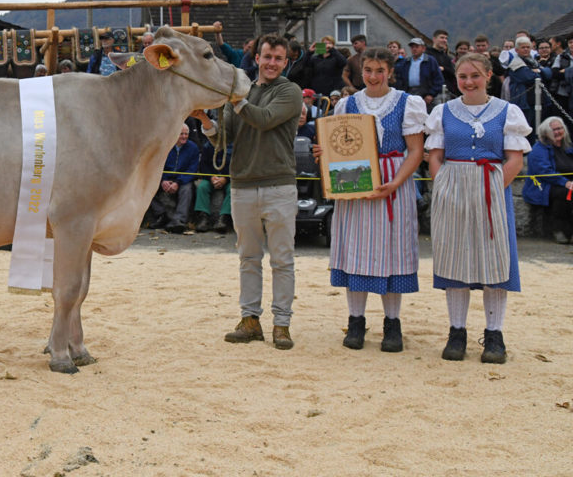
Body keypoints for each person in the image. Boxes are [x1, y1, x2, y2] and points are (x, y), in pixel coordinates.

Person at [315, 48, 427, 352]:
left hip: (394, 179)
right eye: (368, 70)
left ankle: (392, 323)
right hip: (355, 178)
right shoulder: (348, 104)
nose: (374, 76)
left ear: (390, 71)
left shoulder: (407, 103)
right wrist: (324, 154)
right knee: (356, 247)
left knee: (392, 248)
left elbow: (415, 151)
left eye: (380, 70)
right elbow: (339, 145)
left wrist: (396, 183)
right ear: (360, 71)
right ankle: (356, 320)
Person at [197, 34, 303, 350]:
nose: (272, 63)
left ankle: (281, 324)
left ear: (286, 62)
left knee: (282, 260)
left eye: (278, 58)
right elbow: (222, 140)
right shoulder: (240, 93)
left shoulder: (290, 91)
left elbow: (264, 119)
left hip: (279, 185)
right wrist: (204, 119)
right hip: (242, 184)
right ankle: (250, 320)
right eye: (267, 56)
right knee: (248, 258)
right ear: (256, 58)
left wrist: (235, 99)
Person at [425, 52, 531, 364]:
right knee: (455, 257)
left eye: (475, 76)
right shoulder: (444, 111)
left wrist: (494, 189)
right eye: (463, 77)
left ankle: (494, 335)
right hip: (453, 188)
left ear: (488, 76)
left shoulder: (506, 111)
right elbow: (434, 154)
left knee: (494, 259)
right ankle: (457, 332)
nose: (468, 82)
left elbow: (515, 158)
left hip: (491, 189)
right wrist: (443, 184)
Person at [522, 117, 573, 244]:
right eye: (553, 129)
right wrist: (566, 182)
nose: (557, 132)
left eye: (560, 128)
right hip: (543, 187)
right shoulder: (539, 149)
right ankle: (558, 229)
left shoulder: (568, 146)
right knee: (565, 193)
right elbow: (545, 173)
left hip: (567, 183)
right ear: (545, 132)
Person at [148, 124, 199, 234]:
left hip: (183, 180)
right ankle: (161, 215)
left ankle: (179, 220)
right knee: (147, 187)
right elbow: (157, 166)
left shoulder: (193, 148)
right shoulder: (165, 146)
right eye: (181, 134)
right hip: (165, 178)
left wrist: (178, 182)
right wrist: (163, 180)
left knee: (187, 189)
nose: (184, 136)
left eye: (186, 134)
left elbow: (192, 170)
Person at [193, 140, 231, 233]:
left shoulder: (234, 146)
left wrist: (225, 178)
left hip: (229, 178)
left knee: (232, 190)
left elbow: (237, 166)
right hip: (211, 178)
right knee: (202, 187)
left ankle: (224, 218)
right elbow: (203, 166)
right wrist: (211, 178)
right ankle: (203, 218)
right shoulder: (207, 145)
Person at [394, 37, 444, 108]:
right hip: (410, 94)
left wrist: (431, 94)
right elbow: (400, 79)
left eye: (417, 47)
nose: (414, 49)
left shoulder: (430, 61)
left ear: (423, 48)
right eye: (412, 47)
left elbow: (439, 80)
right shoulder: (406, 62)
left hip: (427, 95)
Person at [506, 36, 541, 129]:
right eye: (523, 47)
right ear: (517, 50)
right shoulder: (515, 63)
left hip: (535, 100)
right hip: (523, 102)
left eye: (528, 47)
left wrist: (538, 71)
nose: (526, 49)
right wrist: (537, 72)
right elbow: (528, 77)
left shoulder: (533, 61)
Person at [425, 29, 457, 98]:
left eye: (446, 38)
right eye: (442, 37)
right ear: (434, 39)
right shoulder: (426, 54)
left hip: (446, 91)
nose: (444, 40)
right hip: (431, 92)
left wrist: (443, 68)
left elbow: (453, 73)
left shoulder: (447, 57)